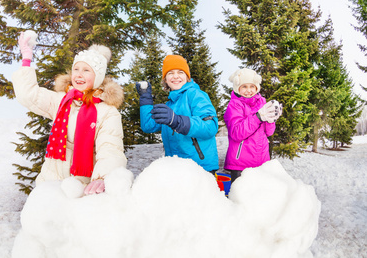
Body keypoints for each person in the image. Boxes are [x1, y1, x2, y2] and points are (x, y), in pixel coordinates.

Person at [12, 32, 127, 195]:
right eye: (76, 69)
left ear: (98, 77)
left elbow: (110, 148)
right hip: (50, 185)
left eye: (86, 70)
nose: (79, 74)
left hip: (82, 189)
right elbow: (29, 95)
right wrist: (26, 58)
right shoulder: (62, 101)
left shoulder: (107, 112)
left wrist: (103, 177)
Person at [136, 55, 219, 173]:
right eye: (170, 73)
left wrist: (178, 121)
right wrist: (145, 99)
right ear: (165, 80)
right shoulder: (169, 105)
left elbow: (210, 127)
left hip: (200, 168)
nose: (175, 76)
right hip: (176, 169)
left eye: (180, 72)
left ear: (187, 76)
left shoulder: (195, 95)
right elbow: (148, 126)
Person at [224, 68, 282, 183]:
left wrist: (271, 120)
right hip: (240, 164)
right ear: (237, 87)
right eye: (244, 86)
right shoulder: (234, 105)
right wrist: (258, 117)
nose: (248, 90)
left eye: (252, 86)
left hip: (261, 163)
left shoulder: (262, 103)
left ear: (257, 87)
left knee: (259, 198)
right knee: (240, 198)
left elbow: (268, 132)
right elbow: (236, 132)